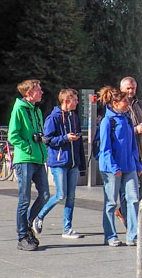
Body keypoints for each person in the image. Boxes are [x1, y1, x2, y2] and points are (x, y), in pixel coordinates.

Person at [31, 89, 85, 240]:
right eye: (75, 99)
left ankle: (67, 228)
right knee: (61, 194)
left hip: (73, 162)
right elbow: (47, 139)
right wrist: (65, 138)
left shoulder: (74, 117)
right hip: (59, 162)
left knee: (71, 197)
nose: (77, 102)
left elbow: (79, 143)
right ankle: (39, 217)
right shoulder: (53, 118)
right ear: (66, 101)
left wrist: (81, 165)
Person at [7, 79, 48, 251]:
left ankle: (27, 225)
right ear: (29, 93)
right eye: (38, 90)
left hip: (38, 159)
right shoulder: (19, 109)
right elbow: (13, 135)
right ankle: (22, 236)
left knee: (45, 195)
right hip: (25, 159)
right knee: (24, 199)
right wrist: (30, 145)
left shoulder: (36, 110)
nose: (42, 92)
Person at [97, 86, 141, 247]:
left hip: (129, 167)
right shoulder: (108, 121)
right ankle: (110, 235)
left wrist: (137, 164)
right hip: (111, 169)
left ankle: (133, 234)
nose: (127, 103)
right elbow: (105, 148)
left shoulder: (127, 119)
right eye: (124, 101)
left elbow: (132, 145)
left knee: (133, 199)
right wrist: (114, 167)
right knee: (110, 202)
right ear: (115, 103)